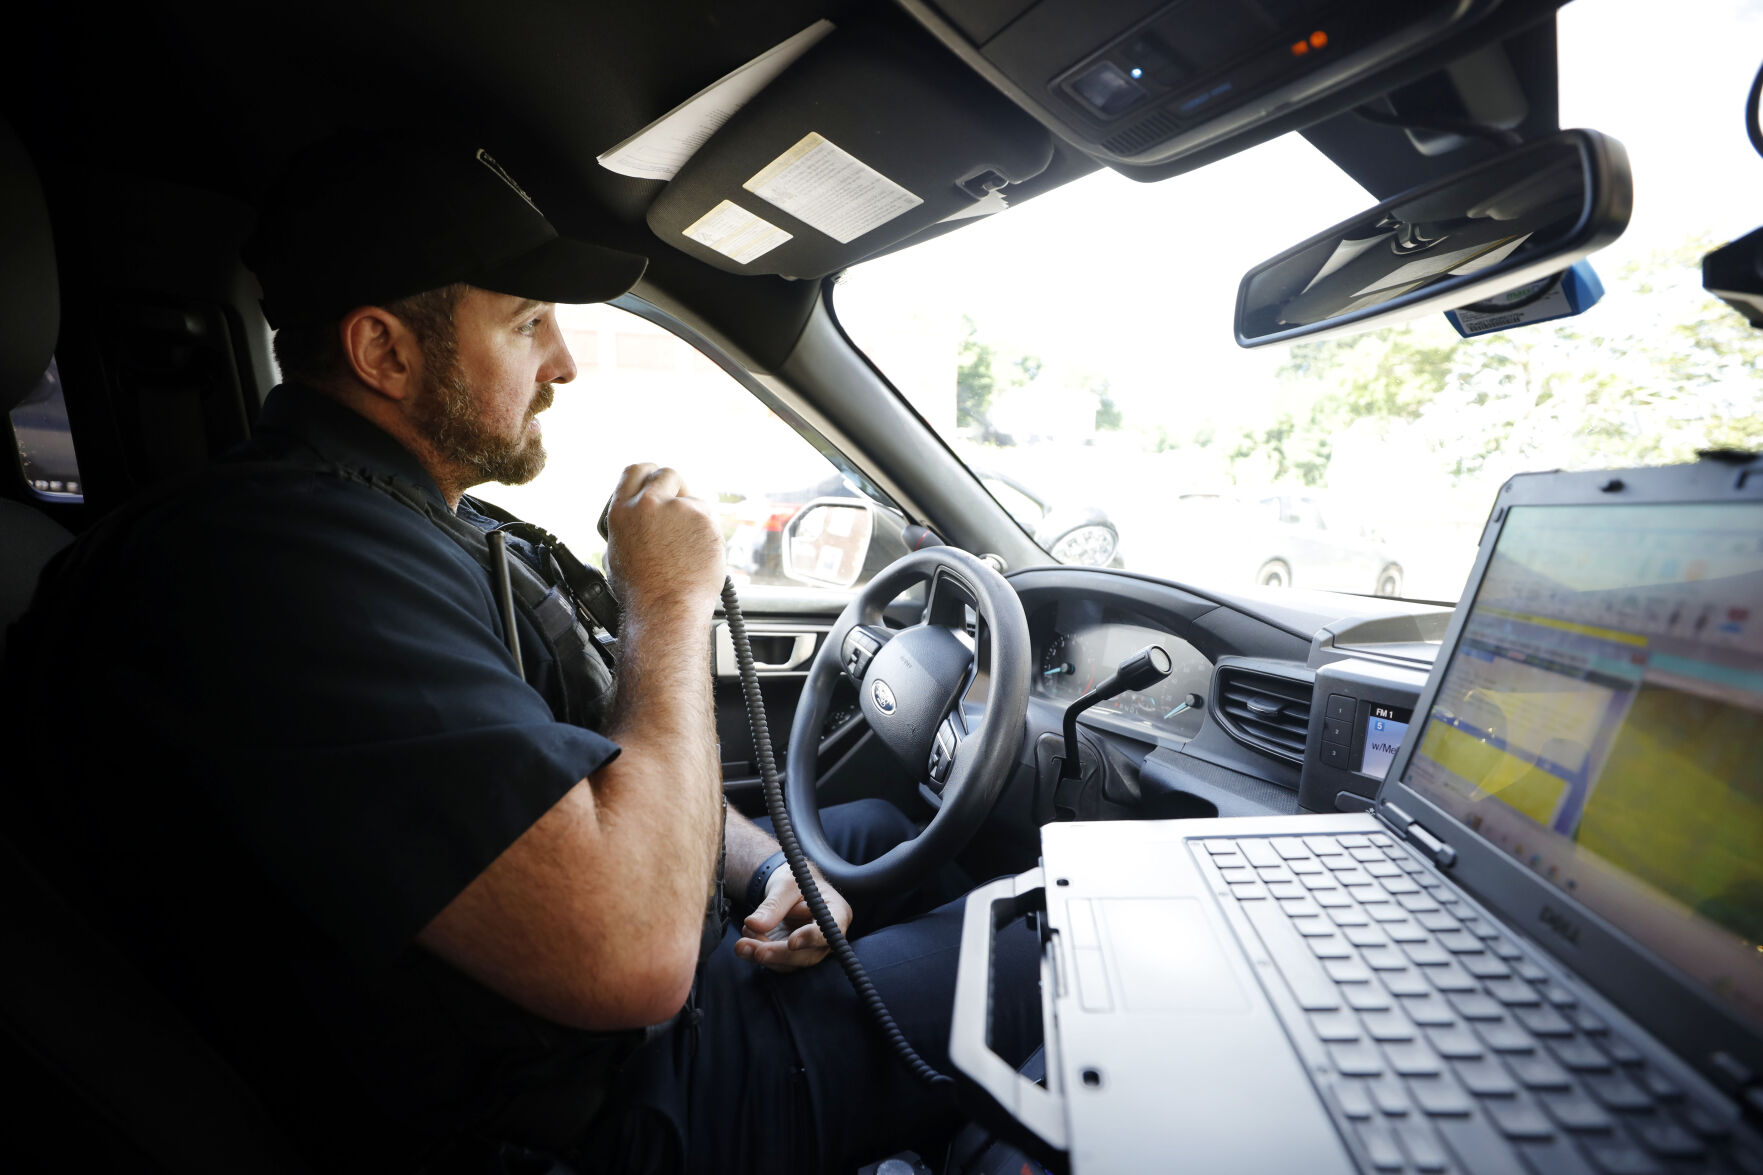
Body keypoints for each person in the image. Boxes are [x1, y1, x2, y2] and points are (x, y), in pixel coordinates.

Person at [4, 131, 1038, 1173]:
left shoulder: (409, 519)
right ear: (384, 353)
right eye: (526, 322)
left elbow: (596, 762)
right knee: (1052, 946)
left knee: (873, 835)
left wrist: (765, 862)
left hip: (614, 1017)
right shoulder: (282, 567)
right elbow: (629, 954)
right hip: (595, 1110)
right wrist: (668, 599)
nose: (563, 362)